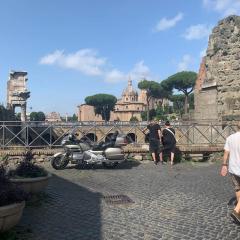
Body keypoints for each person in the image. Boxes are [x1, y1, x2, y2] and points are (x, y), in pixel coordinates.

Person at [221, 122, 240, 224]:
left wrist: (224, 165)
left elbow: (226, 153)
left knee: (238, 188)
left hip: (233, 168)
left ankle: (238, 209)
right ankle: (236, 211)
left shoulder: (230, 138)